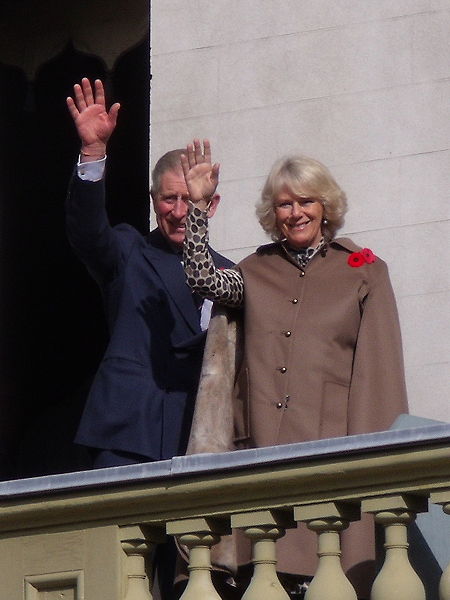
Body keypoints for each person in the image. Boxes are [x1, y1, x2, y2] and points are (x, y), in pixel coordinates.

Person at [180, 140, 408, 599]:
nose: (296, 212)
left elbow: (378, 378)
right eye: (285, 203)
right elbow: (202, 278)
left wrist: (370, 466)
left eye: (306, 201)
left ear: (326, 207)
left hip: (331, 464)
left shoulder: (363, 272)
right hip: (260, 461)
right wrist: (198, 208)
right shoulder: (252, 271)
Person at [65, 81, 232, 598]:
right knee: (118, 575)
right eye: (169, 198)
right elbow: (87, 233)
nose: (179, 211)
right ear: (154, 200)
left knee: (186, 580)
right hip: (127, 435)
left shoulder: (228, 275)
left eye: (191, 199)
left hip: (194, 440)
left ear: (212, 202)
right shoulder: (128, 250)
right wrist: (93, 154)